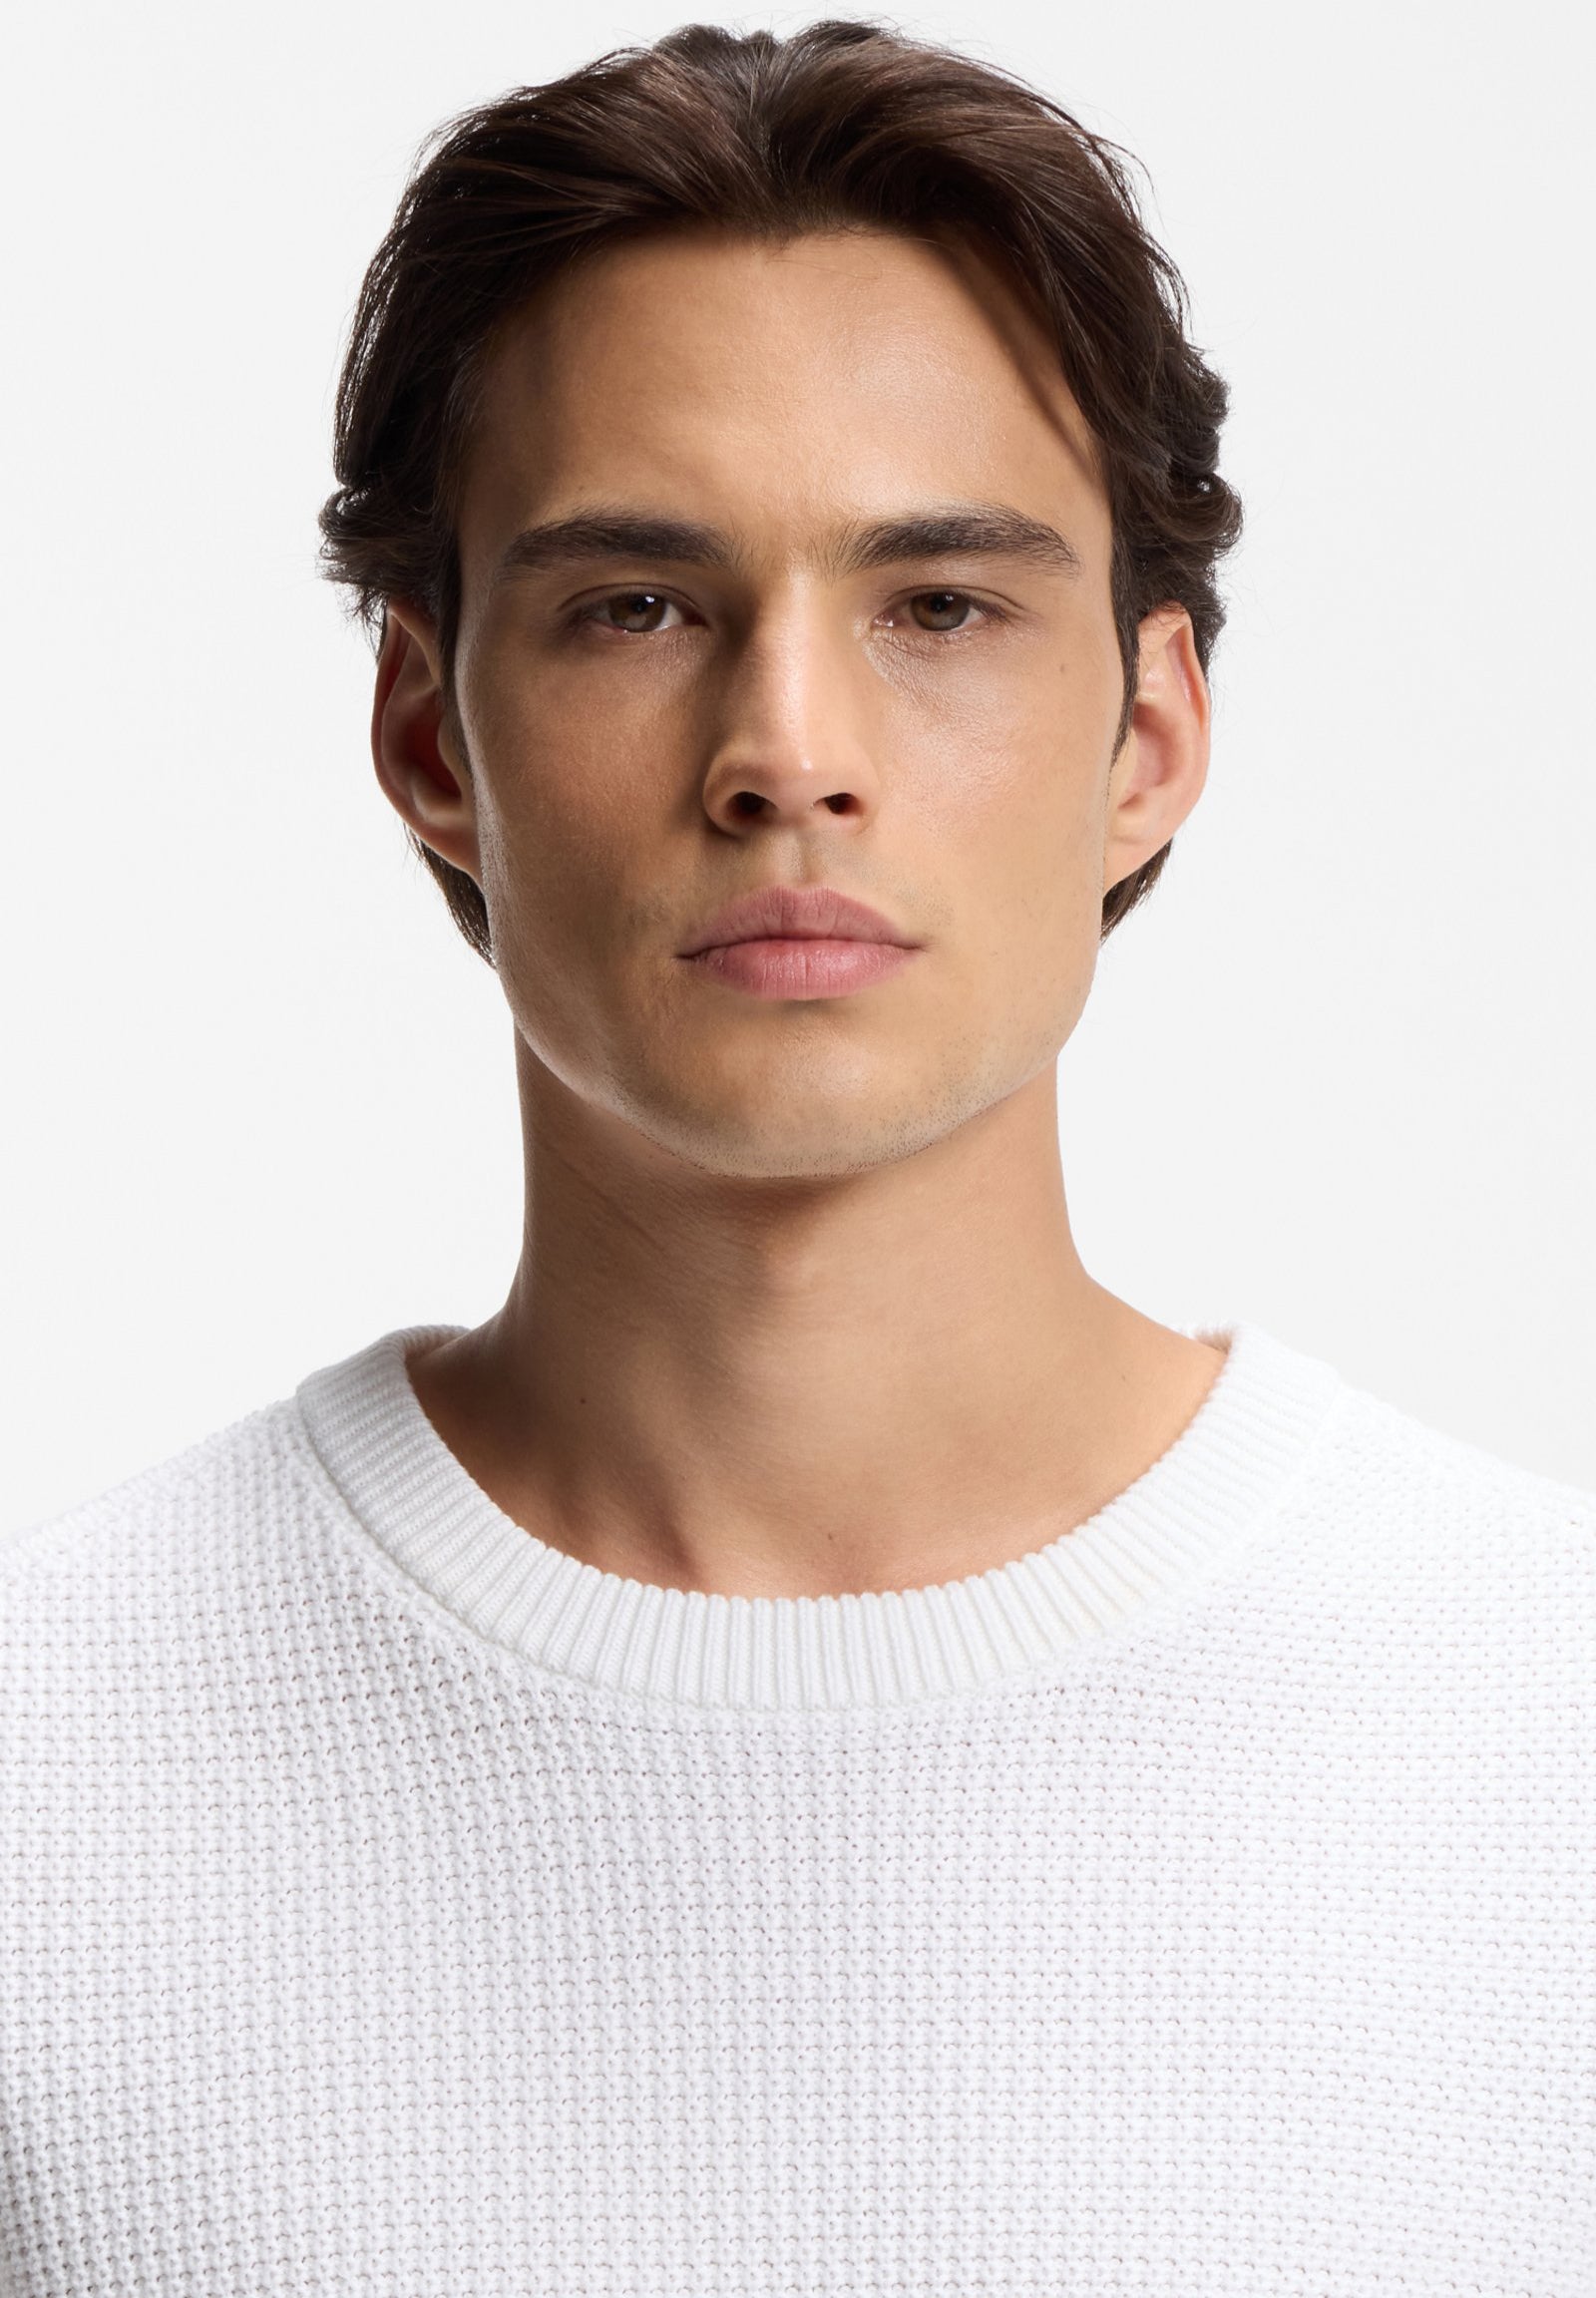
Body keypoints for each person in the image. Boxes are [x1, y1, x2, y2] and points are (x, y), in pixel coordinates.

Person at [3, 19, 1590, 2294]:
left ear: (1146, 740)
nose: (787, 751)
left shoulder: (1547, 1739)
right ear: (428, 737)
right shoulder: (47, 1772)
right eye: (635, 606)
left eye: (937, 606)